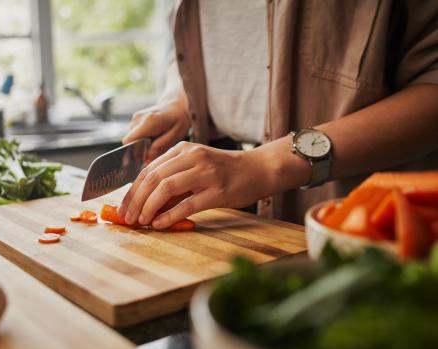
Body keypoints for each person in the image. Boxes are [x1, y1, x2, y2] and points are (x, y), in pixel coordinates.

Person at [118, 0, 438, 229]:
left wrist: (265, 164)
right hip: (220, 187)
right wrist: (179, 98)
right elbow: (193, 46)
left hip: (357, 212)